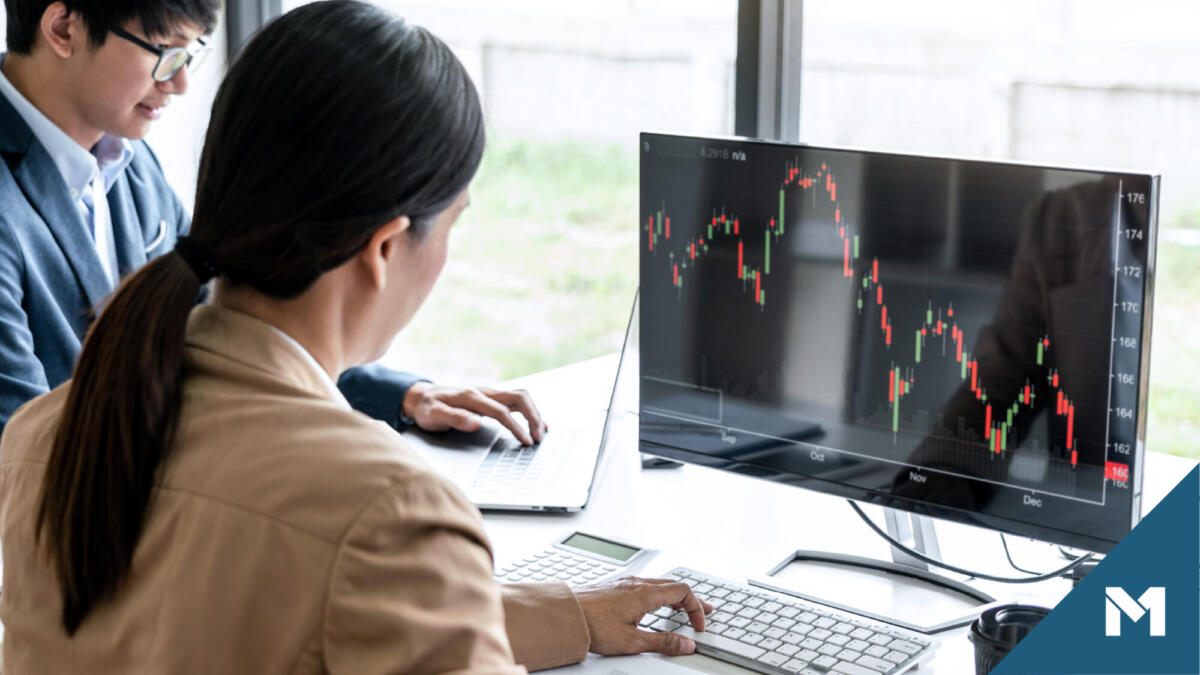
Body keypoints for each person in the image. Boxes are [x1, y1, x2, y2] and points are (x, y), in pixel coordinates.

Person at [0, 1, 710, 672]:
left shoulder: (44, 439)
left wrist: (564, 617)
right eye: (454, 220)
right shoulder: (392, 512)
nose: (176, 80)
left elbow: (267, 605)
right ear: (384, 248)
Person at [0, 0, 547, 445]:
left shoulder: (125, 158)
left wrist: (403, 396)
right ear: (64, 28)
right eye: (165, 54)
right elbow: (19, 452)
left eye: (192, 53)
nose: (182, 84)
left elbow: (240, 323)